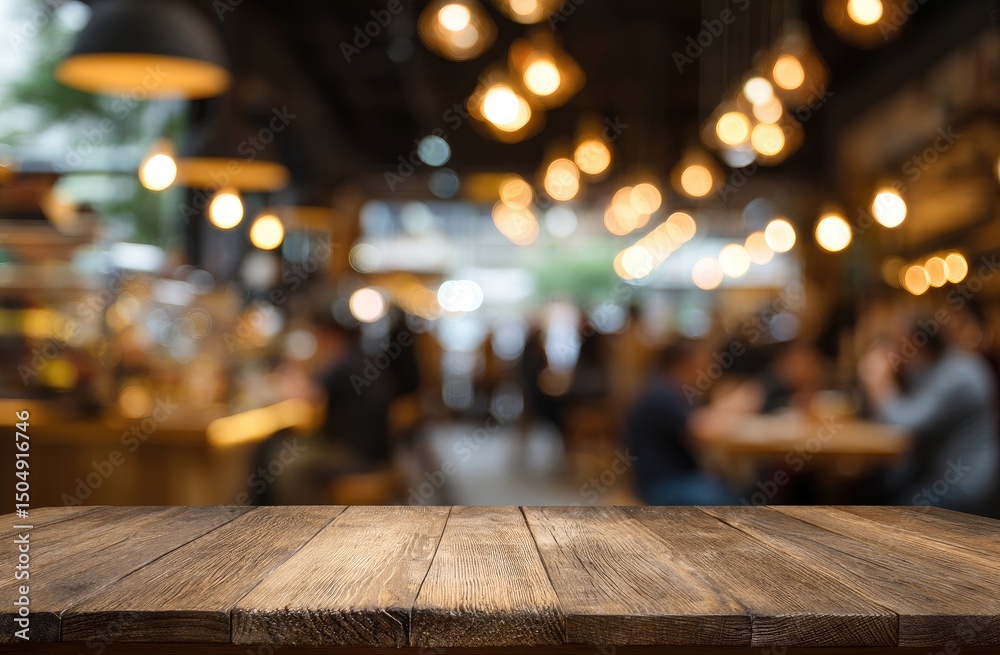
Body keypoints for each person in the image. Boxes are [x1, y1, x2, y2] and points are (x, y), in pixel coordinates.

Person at [858, 318, 999, 515]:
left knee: (895, 510)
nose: (893, 352)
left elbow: (902, 426)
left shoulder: (958, 375)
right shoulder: (936, 368)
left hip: (966, 486)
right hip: (938, 476)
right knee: (874, 488)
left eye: (898, 343)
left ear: (917, 345)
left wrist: (879, 382)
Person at [625, 340, 733, 505]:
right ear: (681, 364)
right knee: (730, 498)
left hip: (668, 479)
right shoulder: (662, 395)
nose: (708, 372)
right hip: (661, 485)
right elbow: (699, 432)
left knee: (734, 489)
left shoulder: (669, 389)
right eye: (701, 366)